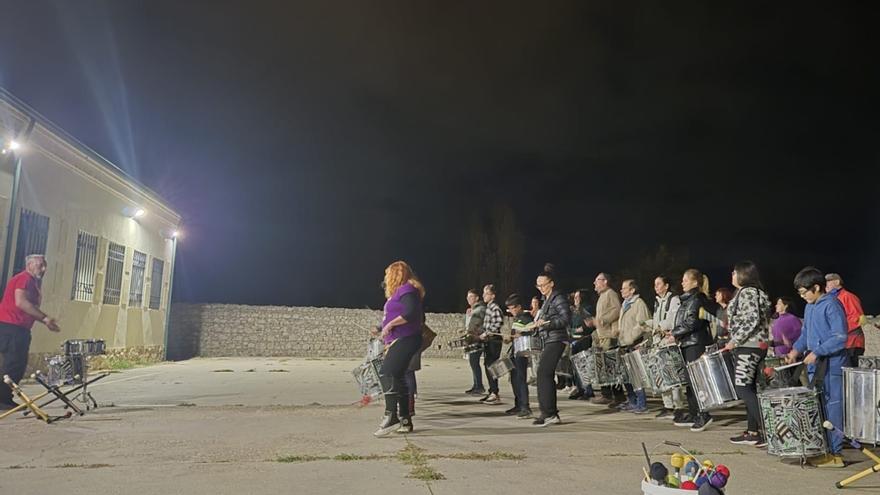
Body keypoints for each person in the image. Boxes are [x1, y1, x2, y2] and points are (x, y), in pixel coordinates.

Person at [787, 267, 848, 468]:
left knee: (833, 408)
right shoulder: (810, 307)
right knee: (820, 407)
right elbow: (806, 334)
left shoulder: (831, 305)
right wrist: (796, 350)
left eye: (805, 292)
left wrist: (818, 351)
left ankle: (836, 454)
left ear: (816, 287)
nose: (803, 297)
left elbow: (840, 337)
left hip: (832, 366)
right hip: (816, 367)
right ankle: (824, 450)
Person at [0, 255, 62, 409]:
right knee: (15, 364)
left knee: (12, 363)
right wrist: (45, 318)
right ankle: (3, 399)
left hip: (12, 327)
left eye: (44, 265)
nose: (43, 269)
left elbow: (28, 308)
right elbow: (21, 302)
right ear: (29, 264)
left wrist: (44, 321)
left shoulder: (30, 281)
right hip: (13, 327)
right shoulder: (24, 278)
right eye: (40, 265)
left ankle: (4, 397)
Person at [373, 261, 424, 437]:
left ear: (396, 274)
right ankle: (404, 419)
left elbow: (410, 314)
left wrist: (389, 326)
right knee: (398, 377)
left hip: (406, 338)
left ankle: (391, 415)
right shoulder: (400, 292)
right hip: (400, 339)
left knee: (387, 373)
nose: (386, 279)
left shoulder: (407, 290)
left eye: (388, 275)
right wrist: (383, 329)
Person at [723, 261, 772, 446]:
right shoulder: (752, 292)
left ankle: (769, 430)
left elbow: (751, 320)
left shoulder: (749, 292)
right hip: (753, 345)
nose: (732, 275)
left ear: (744, 274)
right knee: (749, 388)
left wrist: (734, 341)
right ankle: (753, 431)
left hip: (749, 346)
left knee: (742, 388)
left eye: (735, 272)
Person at [671, 269, 714, 432]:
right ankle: (694, 412)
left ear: (695, 282)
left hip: (696, 344)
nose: (682, 283)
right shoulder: (687, 300)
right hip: (687, 343)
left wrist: (673, 333)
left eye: (685, 280)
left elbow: (692, 322)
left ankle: (704, 414)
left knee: (697, 381)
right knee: (689, 382)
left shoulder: (697, 299)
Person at [531, 264, 571, 426]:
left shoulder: (558, 298)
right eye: (538, 285)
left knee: (543, 373)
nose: (541, 288)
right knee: (543, 374)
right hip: (549, 339)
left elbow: (565, 318)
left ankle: (550, 413)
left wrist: (546, 323)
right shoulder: (546, 300)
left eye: (543, 285)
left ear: (551, 283)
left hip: (557, 339)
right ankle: (547, 412)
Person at [651, 276, 684, 421]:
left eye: (658, 284)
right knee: (662, 376)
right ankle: (668, 406)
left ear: (666, 285)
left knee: (673, 376)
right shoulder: (657, 302)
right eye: (655, 284)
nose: (656, 287)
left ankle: (679, 407)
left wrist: (660, 327)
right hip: (659, 342)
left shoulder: (674, 300)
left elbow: (673, 319)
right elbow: (656, 320)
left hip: (670, 342)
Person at [617, 279, 652, 413]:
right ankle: (632, 401)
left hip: (634, 343)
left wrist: (631, 336)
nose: (622, 290)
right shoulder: (625, 304)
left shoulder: (638, 303)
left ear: (632, 290)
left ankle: (642, 404)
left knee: (636, 376)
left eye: (625, 288)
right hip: (624, 343)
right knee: (627, 375)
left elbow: (643, 323)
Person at [587, 272, 622, 405]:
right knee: (602, 367)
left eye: (597, 281)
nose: (595, 284)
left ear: (605, 281)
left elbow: (617, 310)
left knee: (610, 367)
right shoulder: (602, 296)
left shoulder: (610, 294)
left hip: (608, 336)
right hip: (601, 336)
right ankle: (606, 394)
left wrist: (601, 321)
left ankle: (617, 396)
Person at [825, 273, 866, 367]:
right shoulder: (832, 299)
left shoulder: (848, 297)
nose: (825, 285)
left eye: (828, 282)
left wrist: (837, 330)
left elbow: (858, 318)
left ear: (837, 282)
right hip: (841, 344)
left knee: (850, 373)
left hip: (852, 343)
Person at [504, 294, 533, 418]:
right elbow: (513, 335)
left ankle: (525, 407)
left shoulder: (526, 317)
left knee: (521, 379)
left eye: (513, 308)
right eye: (509, 309)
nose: (511, 311)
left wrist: (522, 333)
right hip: (515, 351)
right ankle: (518, 404)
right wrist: (507, 339)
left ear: (519, 307)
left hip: (523, 352)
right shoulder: (516, 319)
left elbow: (532, 330)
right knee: (514, 379)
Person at [479, 284, 504, 404]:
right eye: (484, 293)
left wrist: (487, 333)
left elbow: (498, 323)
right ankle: (492, 391)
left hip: (494, 341)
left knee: (491, 367)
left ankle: (495, 393)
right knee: (487, 365)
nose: (484, 295)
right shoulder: (488, 307)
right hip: (489, 341)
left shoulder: (495, 308)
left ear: (493, 296)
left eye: (486, 293)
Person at [568, 289, 595, 400]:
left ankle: (588, 390)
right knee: (576, 367)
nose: (575, 299)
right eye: (575, 297)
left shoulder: (586, 308)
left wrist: (576, 330)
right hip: (574, 340)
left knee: (584, 366)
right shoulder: (574, 310)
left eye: (578, 297)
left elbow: (588, 324)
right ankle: (580, 389)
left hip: (584, 340)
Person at [464, 289, 486, 396]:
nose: (469, 299)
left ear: (477, 298)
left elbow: (477, 324)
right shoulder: (473, 310)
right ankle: (476, 385)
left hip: (477, 339)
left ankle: (479, 386)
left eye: (471, 297)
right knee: (473, 363)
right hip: (472, 338)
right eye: (468, 297)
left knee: (474, 362)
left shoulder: (480, 309)